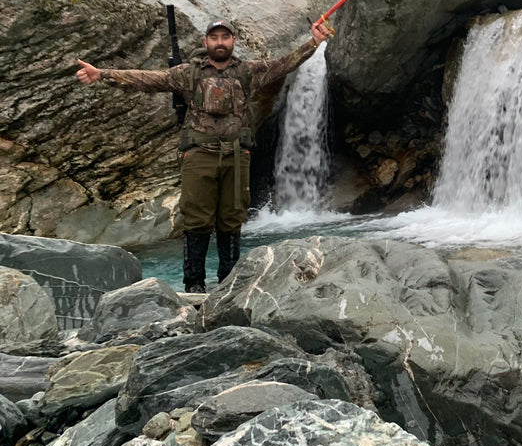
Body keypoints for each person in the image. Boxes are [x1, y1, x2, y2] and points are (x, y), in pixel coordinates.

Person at [76, 17, 333, 293]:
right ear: (205, 42)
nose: (220, 42)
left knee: (232, 217)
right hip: (199, 155)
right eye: (215, 37)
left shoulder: (248, 71)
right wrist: (102, 74)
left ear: (233, 42)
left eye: (225, 37)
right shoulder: (189, 73)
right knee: (196, 218)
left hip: (236, 155)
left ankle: (229, 282)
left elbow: (285, 63)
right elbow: (147, 79)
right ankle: (194, 284)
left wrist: (314, 42)